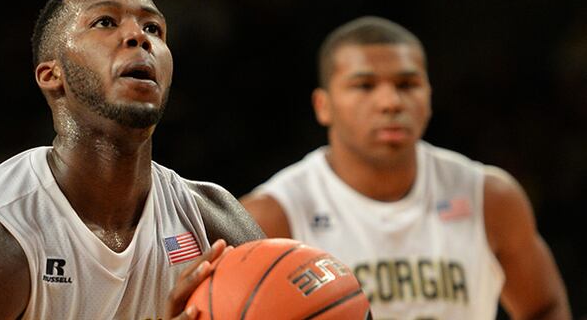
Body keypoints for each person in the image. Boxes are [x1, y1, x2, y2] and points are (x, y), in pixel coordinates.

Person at [0, 0, 264, 320]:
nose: (138, 37)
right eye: (105, 22)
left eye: (154, 28)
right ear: (52, 75)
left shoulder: (211, 221)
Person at [240, 16, 571, 319]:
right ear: (323, 106)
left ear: (428, 95)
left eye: (407, 84)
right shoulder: (274, 214)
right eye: (364, 86)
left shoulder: (490, 198)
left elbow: (546, 307)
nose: (391, 102)